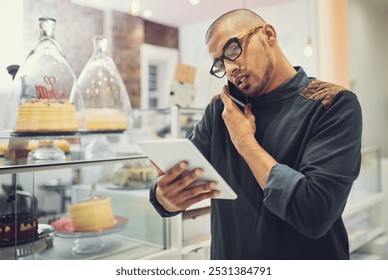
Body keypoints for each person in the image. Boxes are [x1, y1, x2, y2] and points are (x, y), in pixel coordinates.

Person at [149, 8, 362, 260]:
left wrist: (245, 142)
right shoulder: (221, 110)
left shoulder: (332, 103)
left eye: (232, 49)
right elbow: (181, 180)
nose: (229, 68)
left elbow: (314, 214)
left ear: (268, 35)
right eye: (220, 63)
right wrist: (163, 198)